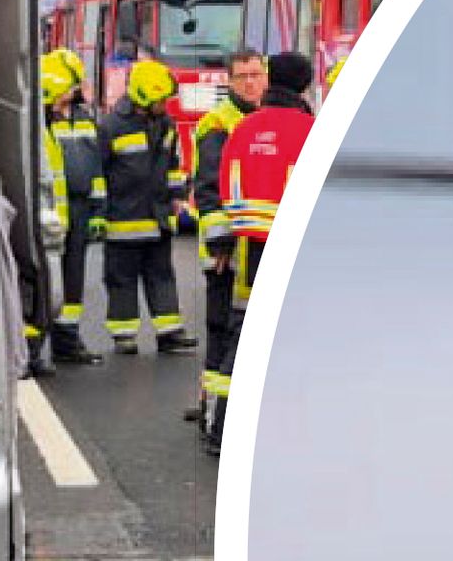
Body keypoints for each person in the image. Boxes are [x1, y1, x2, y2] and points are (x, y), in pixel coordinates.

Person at [193, 50, 315, 446]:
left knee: (240, 335)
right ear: (305, 86)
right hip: (293, 251)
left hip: (247, 250)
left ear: (268, 79)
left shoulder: (245, 128)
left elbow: (224, 187)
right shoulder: (310, 130)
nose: (249, 82)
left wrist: (226, 239)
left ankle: (221, 428)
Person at [92, 58, 194, 355]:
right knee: (121, 280)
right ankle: (124, 335)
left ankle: (169, 332)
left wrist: (178, 196)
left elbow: (173, 165)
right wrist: (99, 214)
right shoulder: (111, 127)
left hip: (158, 217)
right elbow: (99, 173)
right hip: (122, 221)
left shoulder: (165, 125)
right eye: (161, 100)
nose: (165, 105)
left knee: (162, 276)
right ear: (144, 97)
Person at [189, 49, 271, 363]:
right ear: (230, 81)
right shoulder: (218, 124)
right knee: (221, 325)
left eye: (256, 75)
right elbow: (209, 187)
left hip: (255, 242)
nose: (250, 83)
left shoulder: (268, 117)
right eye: (242, 77)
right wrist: (221, 241)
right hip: (226, 249)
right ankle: (214, 389)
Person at [39, 48, 101, 363]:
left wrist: (98, 209)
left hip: (79, 209)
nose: (76, 91)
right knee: (44, 279)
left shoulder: (84, 118)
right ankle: (34, 348)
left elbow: (95, 165)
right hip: (48, 212)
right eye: (72, 85)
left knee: (73, 279)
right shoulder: (40, 121)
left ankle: (67, 340)